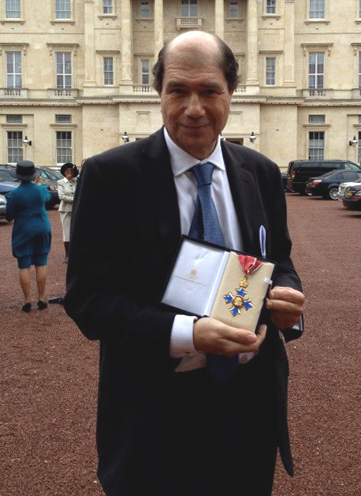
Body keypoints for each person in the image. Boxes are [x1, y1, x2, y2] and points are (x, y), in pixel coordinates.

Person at [64, 31, 305, 496]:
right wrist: (187, 334)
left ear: (231, 93)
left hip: (247, 408)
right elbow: (87, 300)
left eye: (209, 90)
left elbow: (279, 259)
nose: (194, 107)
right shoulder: (111, 175)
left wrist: (287, 302)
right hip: (153, 412)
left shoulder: (258, 172)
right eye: (178, 90)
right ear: (159, 93)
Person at [6, 160, 52, 312]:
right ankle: (41, 297)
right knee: (41, 262)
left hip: (24, 228)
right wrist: (39, 184)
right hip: (42, 225)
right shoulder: (41, 190)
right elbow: (47, 199)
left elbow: (9, 216)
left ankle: (27, 300)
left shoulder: (14, 194)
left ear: (18, 176)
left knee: (24, 264)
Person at [57, 162, 78, 263]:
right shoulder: (60, 182)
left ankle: (75, 253)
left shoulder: (76, 181)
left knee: (75, 231)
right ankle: (67, 255)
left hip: (76, 209)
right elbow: (61, 196)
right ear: (64, 173)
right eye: (68, 171)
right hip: (65, 210)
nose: (69, 173)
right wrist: (75, 199)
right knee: (67, 232)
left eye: (71, 171)